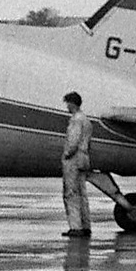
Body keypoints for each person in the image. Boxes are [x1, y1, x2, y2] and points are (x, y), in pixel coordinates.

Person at [61, 91, 93, 237]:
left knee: (71, 193)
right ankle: (86, 225)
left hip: (74, 159)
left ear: (72, 103)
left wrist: (67, 154)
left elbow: (73, 141)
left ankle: (75, 227)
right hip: (84, 158)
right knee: (82, 193)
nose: (66, 106)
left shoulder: (75, 120)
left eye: (67, 103)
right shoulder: (86, 120)